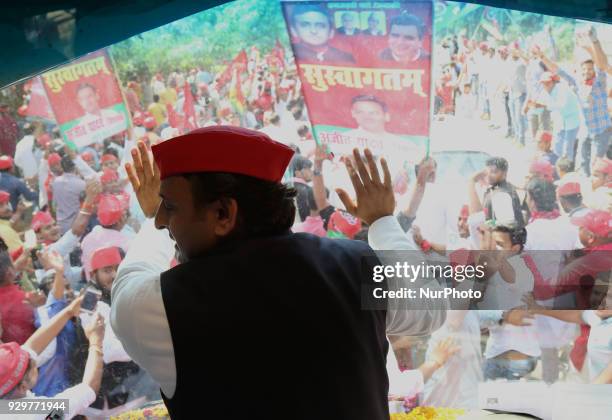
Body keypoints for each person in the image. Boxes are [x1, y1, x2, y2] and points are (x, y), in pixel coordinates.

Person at [110, 127, 446, 419]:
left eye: (169, 207)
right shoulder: (354, 265)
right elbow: (431, 307)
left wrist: (151, 225)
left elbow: (127, 285)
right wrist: (384, 222)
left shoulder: (162, 308)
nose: (160, 221)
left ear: (224, 213)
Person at [0, 295, 105, 420]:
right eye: (33, 364)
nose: (32, 357)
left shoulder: (8, 397)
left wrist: (69, 311)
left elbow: (32, 346)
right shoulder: (36, 413)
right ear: (23, 387)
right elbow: (88, 389)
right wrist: (96, 342)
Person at [538, 27, 611, 176]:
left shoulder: (599, 83)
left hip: (601, 131)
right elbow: (558, 71)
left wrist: (594, 41)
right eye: (584, 69)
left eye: (590, 69)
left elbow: (602, 64)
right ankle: (584, 188)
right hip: (585, 131)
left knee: (595, 165)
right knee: (582, 163)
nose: (587, 72)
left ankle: (597, 189)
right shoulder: (577, 84)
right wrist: (542, 57)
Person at [527, 72, 581, 162]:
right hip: (560, 123)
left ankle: (567, 171)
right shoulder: (544, 92)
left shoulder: (562, 89)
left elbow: (561, 105)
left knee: (568, 149)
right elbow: (539, 109)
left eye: (548, 82)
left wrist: (543, 106)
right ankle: (558, 170)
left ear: (554, 82)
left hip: (572, 121)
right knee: (557, 148)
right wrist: (533, 106)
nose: (545, 85)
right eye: (543, 83)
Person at [289, 4, 355, 63]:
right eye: (305, 25)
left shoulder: (346, 58)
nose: (313, 31)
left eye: (320, 25)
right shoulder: (291, 55)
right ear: (293, 31)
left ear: (331, 32)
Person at [478, 157, 524, 227]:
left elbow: (508, 224)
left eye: (493, 172)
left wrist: (487, 224)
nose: (489, 175)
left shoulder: (502, 195)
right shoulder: (493, 189)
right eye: (487, 172)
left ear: (504, 174)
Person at [52, 157, 86, 235]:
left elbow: (54, 205)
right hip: (76, 225)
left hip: (61, 224)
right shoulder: (81, 184)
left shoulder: (56, 181)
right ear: (75, 166)